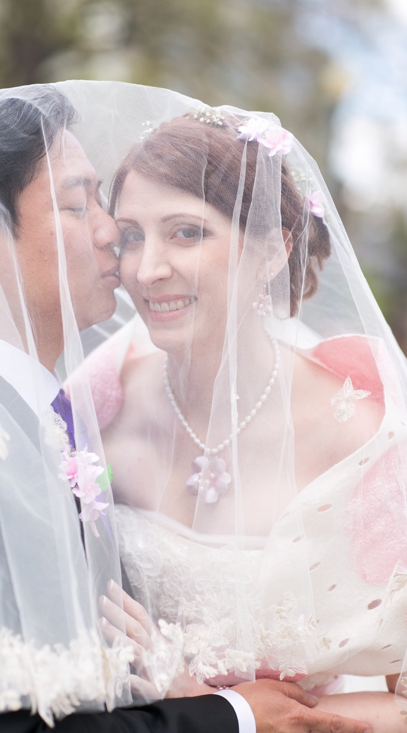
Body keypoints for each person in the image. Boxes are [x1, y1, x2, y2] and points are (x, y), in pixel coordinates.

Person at [0, 84, 374, 733]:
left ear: (274, 247)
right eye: (79, 205)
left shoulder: (66, 408)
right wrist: (231, 716)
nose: (116, 239)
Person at [63, 92, 407, 728]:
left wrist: (224, 712)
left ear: (272, 250)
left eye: (187, 233)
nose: (147, 269)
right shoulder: (95, 416)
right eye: (132, 236)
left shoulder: (364, 435)